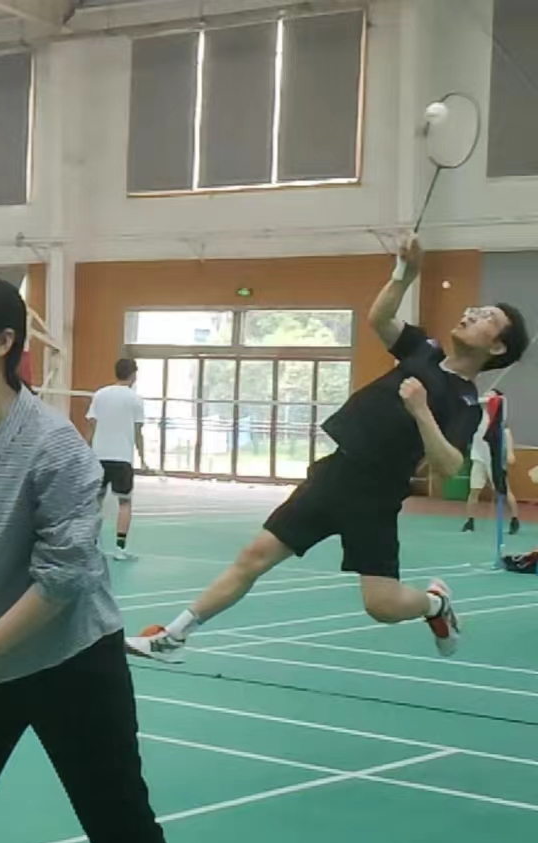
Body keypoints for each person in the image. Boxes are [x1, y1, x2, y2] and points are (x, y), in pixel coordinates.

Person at [128, 238, 530, 663]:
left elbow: (448, 466)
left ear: (497, 347)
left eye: (488, 317)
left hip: (376, 496)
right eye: (476, 308)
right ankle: (173, 637)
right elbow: (380, 318)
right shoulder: (423, 350)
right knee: (254, 556)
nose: (472, 313)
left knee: (382, 606)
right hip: (336, 473)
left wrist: (421, 411)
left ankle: (435, 604)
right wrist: (405, 274)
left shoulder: (465, 402)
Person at [0, 275, 167, 843]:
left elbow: (63, 577)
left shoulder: (56, 447)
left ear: (3, 342)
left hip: (72, 664)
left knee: (122, 828)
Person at [86, 357, 150, 561]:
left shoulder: (100, 394)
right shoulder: (135, 399)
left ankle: (89, 545)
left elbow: (92, 426)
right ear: (133, 375)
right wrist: (143, 458)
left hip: (98, 457)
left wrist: (86, 451)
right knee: (124, 503)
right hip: (122, 459)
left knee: (94, 502)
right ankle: (120, 549)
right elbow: (138, 433)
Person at [463, 388, 521, 536]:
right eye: (486, 393)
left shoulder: (497, 417)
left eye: (491, 393)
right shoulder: (476, 414)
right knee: (474, 490)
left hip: (494, 458)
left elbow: (507, 433)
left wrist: (510, 452)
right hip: (478, 457)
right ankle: (470, 521)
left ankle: (514, 519)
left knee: (504, 491)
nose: (487, 394)